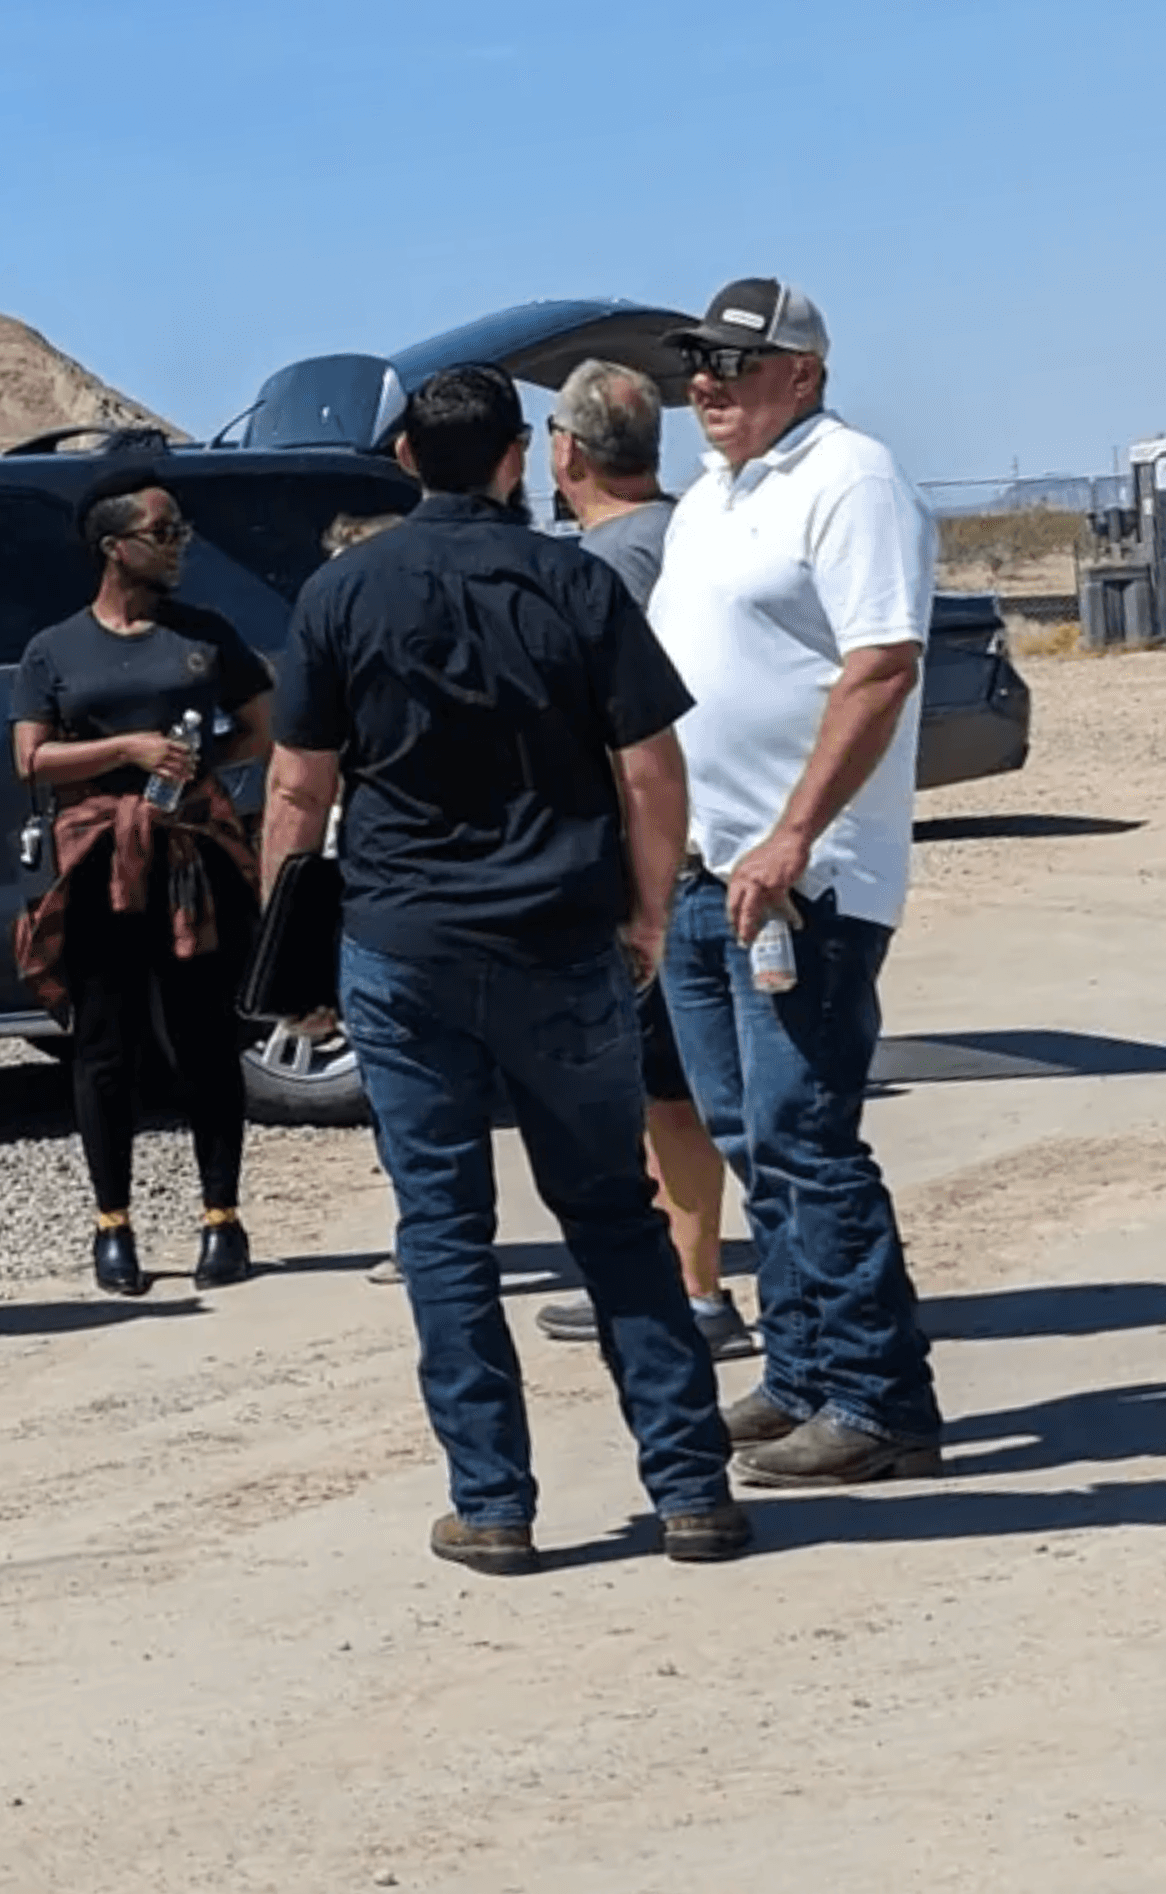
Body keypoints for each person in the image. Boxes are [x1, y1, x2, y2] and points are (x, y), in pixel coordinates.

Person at [263, 364, 745, 1572]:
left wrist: (292, 949)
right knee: (613, 1218)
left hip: (405, 949)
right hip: (562, 942)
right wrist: (644, 919)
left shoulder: (340, 593)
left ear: (409, 460)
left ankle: (495, 1506)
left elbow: (297, 788)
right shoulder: (576, 585)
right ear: (517, 457)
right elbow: (650, 772)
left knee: (444, 1231)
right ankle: (691, 1490)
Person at [650, 279, 944, 1489]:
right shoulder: (715, 498)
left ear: (804, 373)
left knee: (806, 1134)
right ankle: (807, 1370)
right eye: (696, 364)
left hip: (803, 877)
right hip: (703, 869)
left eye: (733, 361)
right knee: (745, 1132)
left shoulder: (851, 479)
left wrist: (792, 834)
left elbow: (879, 669)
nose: (707, 383)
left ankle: (882, 1401)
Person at [526, 363, 758, 1364]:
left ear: (568, 452)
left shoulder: (605, 565)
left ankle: (686, 1289)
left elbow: (609, 730)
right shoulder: (692, 529)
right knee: (690, 1083)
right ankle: (691, 1278)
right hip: (720, 836)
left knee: (651, 1084)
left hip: (643, 856)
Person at [10, 466, 273, 1296]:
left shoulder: (203, 634)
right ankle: (112, 1225)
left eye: (179, 531)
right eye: (164, 532)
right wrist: (126, 752)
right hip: (96, 863)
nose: (178, 545)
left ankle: (221, 1219)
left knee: (202, 1039)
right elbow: (30, 757)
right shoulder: (53, 648)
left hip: (190, 856)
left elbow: (260, 726)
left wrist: (198, 771)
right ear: (113, 546)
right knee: (103, 1045)